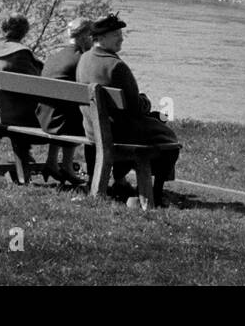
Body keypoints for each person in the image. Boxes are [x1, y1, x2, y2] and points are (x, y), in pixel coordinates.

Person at [76, 13, 180, 207]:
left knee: (158, 125)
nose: (121, 38)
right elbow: (135, 108)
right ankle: (154, 195)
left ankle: (120, 182)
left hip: (92, 129)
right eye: (116, 34)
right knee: (170, 142)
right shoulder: (116, 66)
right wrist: (145, 101)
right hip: (119, 134)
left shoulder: (83, 59)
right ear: (101, 37)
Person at [36, 17, 95, 185]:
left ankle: (52, 162)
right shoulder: (82, 60)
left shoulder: (54, 56)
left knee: (64, 105)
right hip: (62, 123)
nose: (94, 40)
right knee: (82, 115)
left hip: (44, 118)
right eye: (92, 36)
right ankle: (67, 166)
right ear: (84, 37)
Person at [0, 13, 42, 170]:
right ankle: (55, 163)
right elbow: (38, 82)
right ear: (24, 32)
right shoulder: (21, 53)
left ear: (2, 28)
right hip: (17, 116)